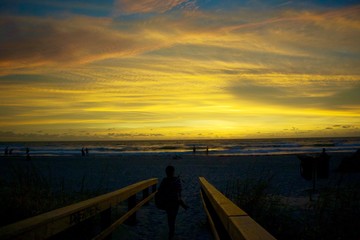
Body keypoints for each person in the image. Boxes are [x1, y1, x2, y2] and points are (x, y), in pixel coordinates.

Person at [159, 165, 188, 240]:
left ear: (166, 172)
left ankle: (171, 231)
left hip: (167, 203)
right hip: (175, 203)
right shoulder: (176, 180)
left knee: (170, 217)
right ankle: (172, 231)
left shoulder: (164, 180)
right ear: (173, 172)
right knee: (173, 217)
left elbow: (160, 191)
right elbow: (179, 192)